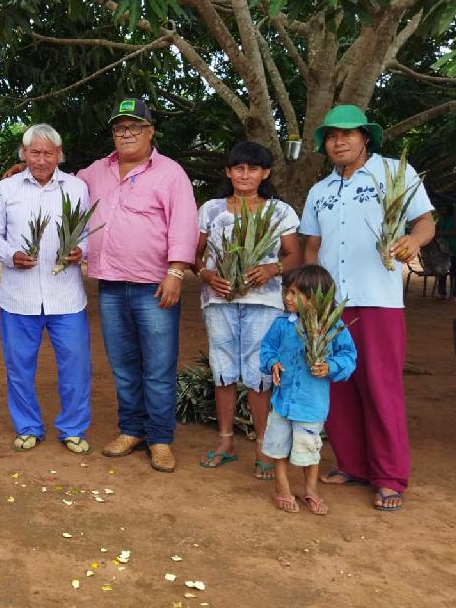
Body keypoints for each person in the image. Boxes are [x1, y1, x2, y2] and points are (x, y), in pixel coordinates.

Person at [301, 104, 435, 511]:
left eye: (347, 134)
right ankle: (354, 465)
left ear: (365, 138)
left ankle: (389, 476)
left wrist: (414, 242)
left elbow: (424, 222)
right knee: (337, 386)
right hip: (329, 305)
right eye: (331, 136)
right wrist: (307, 296)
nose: (338, 141)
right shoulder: (319, 190)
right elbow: (311, 244)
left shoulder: (394, 173)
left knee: (380, 387)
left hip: (378, 301)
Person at [79, 98, 198, 472]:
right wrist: (23, 171)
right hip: (111, 286)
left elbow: (184, 225)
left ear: (150, 132)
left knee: (159, 367)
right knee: (124, 365)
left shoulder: (170, 173)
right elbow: (59, 186)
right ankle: (132, 429)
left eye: (134, 127)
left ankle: (160, 438)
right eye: (119, 128)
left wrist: (177, 273)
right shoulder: (96, 172)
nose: (126, 134)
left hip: (154, 287)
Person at [193, 141, 301, 479]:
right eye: (238, 167)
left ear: (265, 173)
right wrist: (207, 274)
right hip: (219, 300)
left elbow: (294, 256)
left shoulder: (279, 211)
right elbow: (195, 254)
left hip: (264, 303)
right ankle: (226, 441)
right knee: (223, 369)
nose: (244, 174)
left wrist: (272, 270)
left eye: (252, 168)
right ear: (228, 171)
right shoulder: (211, 209)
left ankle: (262, 446)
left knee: (259, 374)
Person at [0, 124, 92, 454]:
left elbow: (86, 232)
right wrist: (10, 256)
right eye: (35, 152)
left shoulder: (76, 187)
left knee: (75, 366)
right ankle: (27, 427)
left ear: (59, 154)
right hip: (19, 297)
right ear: (23, 154)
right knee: (19, 368)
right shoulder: (7, 189)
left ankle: (72, 428)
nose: (42, 159)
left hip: (66, 296)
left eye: (48, 153)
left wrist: (80, 251)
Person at [259, 265, 357, 514]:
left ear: (314, 297)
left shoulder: (333, 328)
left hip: (310, 403)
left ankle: (310, 489)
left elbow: (349, 356)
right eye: (286, 291)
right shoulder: (282, 324)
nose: (287, 297)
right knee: (279, 445)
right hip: (282, 400)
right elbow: (267, 349)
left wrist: (330, 366)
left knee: (309, 448)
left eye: (294, 293)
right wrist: (272, 363)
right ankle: (281, 486)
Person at [435, 202, 456, 298]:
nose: (440, 210)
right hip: (444, 250)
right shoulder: (442, 218)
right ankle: (442, 292)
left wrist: (443, 234)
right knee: (442, 270)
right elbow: (435, 229)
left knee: (455, 271)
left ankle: (455, 293)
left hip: (455, 250)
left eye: (442, 207)